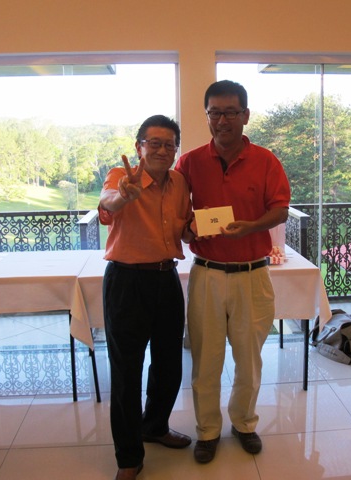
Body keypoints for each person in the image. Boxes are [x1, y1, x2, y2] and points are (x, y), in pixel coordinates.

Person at [175, 80, 291, 464]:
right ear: (207, 116)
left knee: (249, 358)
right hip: (207, 273)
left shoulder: (266, 160)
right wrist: (188, 229)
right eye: (215, 113)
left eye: (230, 112)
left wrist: (252, 227)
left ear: (245, 115)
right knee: (206, 359)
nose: (222, 120)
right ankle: (207, 430)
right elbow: (177, 213)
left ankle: (244, 423)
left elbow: (280, 210)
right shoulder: (190, 162)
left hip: (252, 274)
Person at [98, 115, 194, 480]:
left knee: (169, 364)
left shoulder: (180, 182)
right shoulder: (121, 177)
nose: (162, 150)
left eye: (169, 144)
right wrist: (124, 194)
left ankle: (154, 426)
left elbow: (182, 229)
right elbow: (107, 204)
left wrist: (197, 229)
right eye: (154, 143)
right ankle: (128, 456)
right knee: (127, 372)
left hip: (166, 278)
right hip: (127, 281)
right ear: (139, 147)